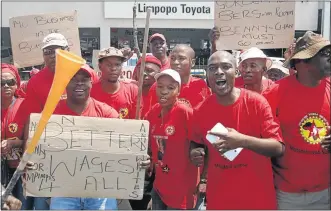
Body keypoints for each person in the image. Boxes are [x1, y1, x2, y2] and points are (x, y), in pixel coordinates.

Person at [189, 51, 284, 209]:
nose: (219, 72)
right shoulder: (200, 111)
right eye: (213, 68)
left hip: (257, 199)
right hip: (220, 199)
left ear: (236, 72)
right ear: (207, 75)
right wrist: (194, 152)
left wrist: (242, 141)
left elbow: (278, 148)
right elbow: (195, 141)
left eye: (226, 67)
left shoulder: (257, 103)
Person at [264, 31, 330, 209]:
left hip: (326, 193)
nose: (330, 59)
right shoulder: (274, 93)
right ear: (303, 62)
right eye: (324, 54)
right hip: (286, 194)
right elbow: (263, 138)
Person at [48, 65, 120, 210]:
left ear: (91, 83)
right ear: (65, 83)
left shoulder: (107, 113)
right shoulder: (51, 113)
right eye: (73, 79)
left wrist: (137, 159)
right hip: (63, 190)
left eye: (84, 79)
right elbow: (39, 147)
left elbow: (124, 147)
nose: (79, 83)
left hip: (100, 191)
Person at [145, 69, 199, 210]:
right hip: (159, 187)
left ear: (178, 91)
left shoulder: (185, 112)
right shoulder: (153, 112)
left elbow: (201, 144)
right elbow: (145, 141)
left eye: (170, 88)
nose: (164, 91)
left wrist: (204, 180)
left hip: (182, 190)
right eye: (160, 86)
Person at [148, 44, 211, 109]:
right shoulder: (158, 86)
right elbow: (153, 115)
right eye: (172, 58)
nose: (175, 62)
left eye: (181, 58)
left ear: (192, 62)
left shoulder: (200, 85)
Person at [1, 63, 27, 208]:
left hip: (22, 170)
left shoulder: (25, 106)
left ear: (16, 84)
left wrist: (14, 143)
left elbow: (34, 139)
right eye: (1, 83)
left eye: (10, 82)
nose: (6, 86)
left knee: (21, 206)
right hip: (1, 171)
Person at [90, 47, 140, 119]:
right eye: (109, 65)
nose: (113, 68)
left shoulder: (133, 91)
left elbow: (137, 123)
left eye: (117, 65)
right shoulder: (90, 91)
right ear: (100, 66)